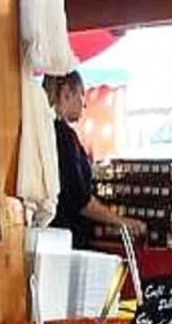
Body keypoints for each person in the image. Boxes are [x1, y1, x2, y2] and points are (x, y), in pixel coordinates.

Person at [44, 72, 144, 249]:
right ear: (66, 93)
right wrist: (122, 221)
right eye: (81, 95)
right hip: (67, 240)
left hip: (50, 235)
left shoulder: (46, 131)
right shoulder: (63, 137)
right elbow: (79, 200)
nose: (84, 104)